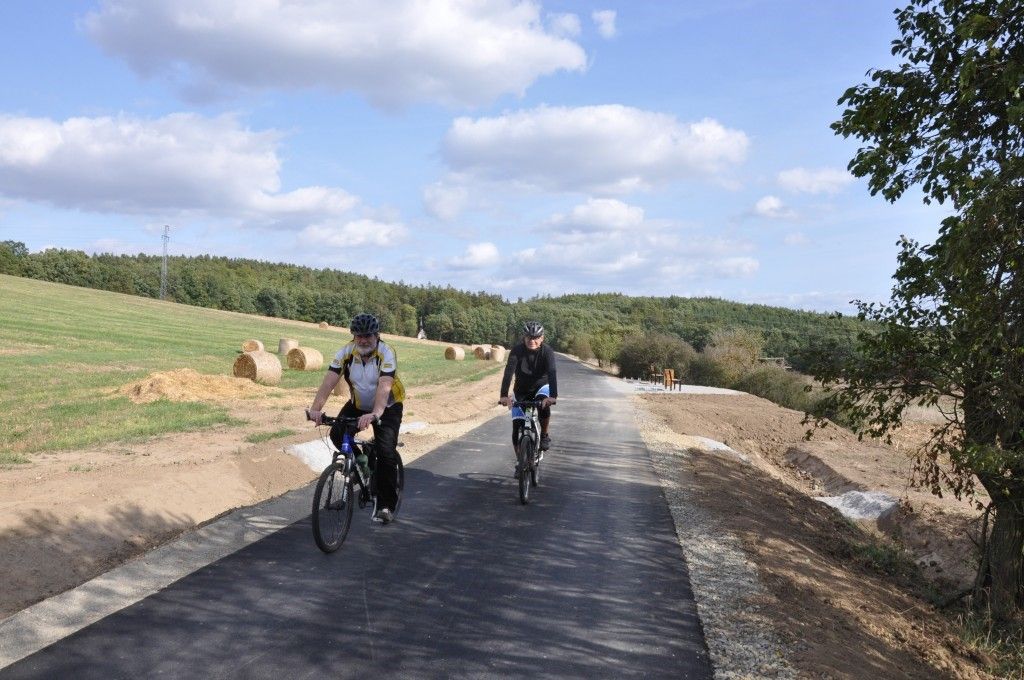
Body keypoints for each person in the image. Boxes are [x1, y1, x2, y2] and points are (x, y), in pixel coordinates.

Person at [307, 313, 405, 524]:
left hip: (387, 405)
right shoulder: (346, 352)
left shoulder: (386, 352)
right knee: (336, 432)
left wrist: (375, 414)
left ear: (376, 335)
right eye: (358, 336)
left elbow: (384, 385)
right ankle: (362, 462)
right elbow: (329, 382)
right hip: (359, 403)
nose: (362, 340)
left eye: (367, 336)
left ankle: (387, 504)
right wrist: (315, 409)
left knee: (386, 452)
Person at [499, 320, 558, 468]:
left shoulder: (547, 352)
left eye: (536, 338)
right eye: (529, 337)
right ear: (524, 338)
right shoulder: (517, 351)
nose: (532, 341)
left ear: (541, 338)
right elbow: (508, 373)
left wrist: (553, 396)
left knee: (543, 403)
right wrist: (504, 395)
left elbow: (552, 372)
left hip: (541, 386)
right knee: (516, 426)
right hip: (521, 389)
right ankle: (521, 461)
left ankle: (544, 435)